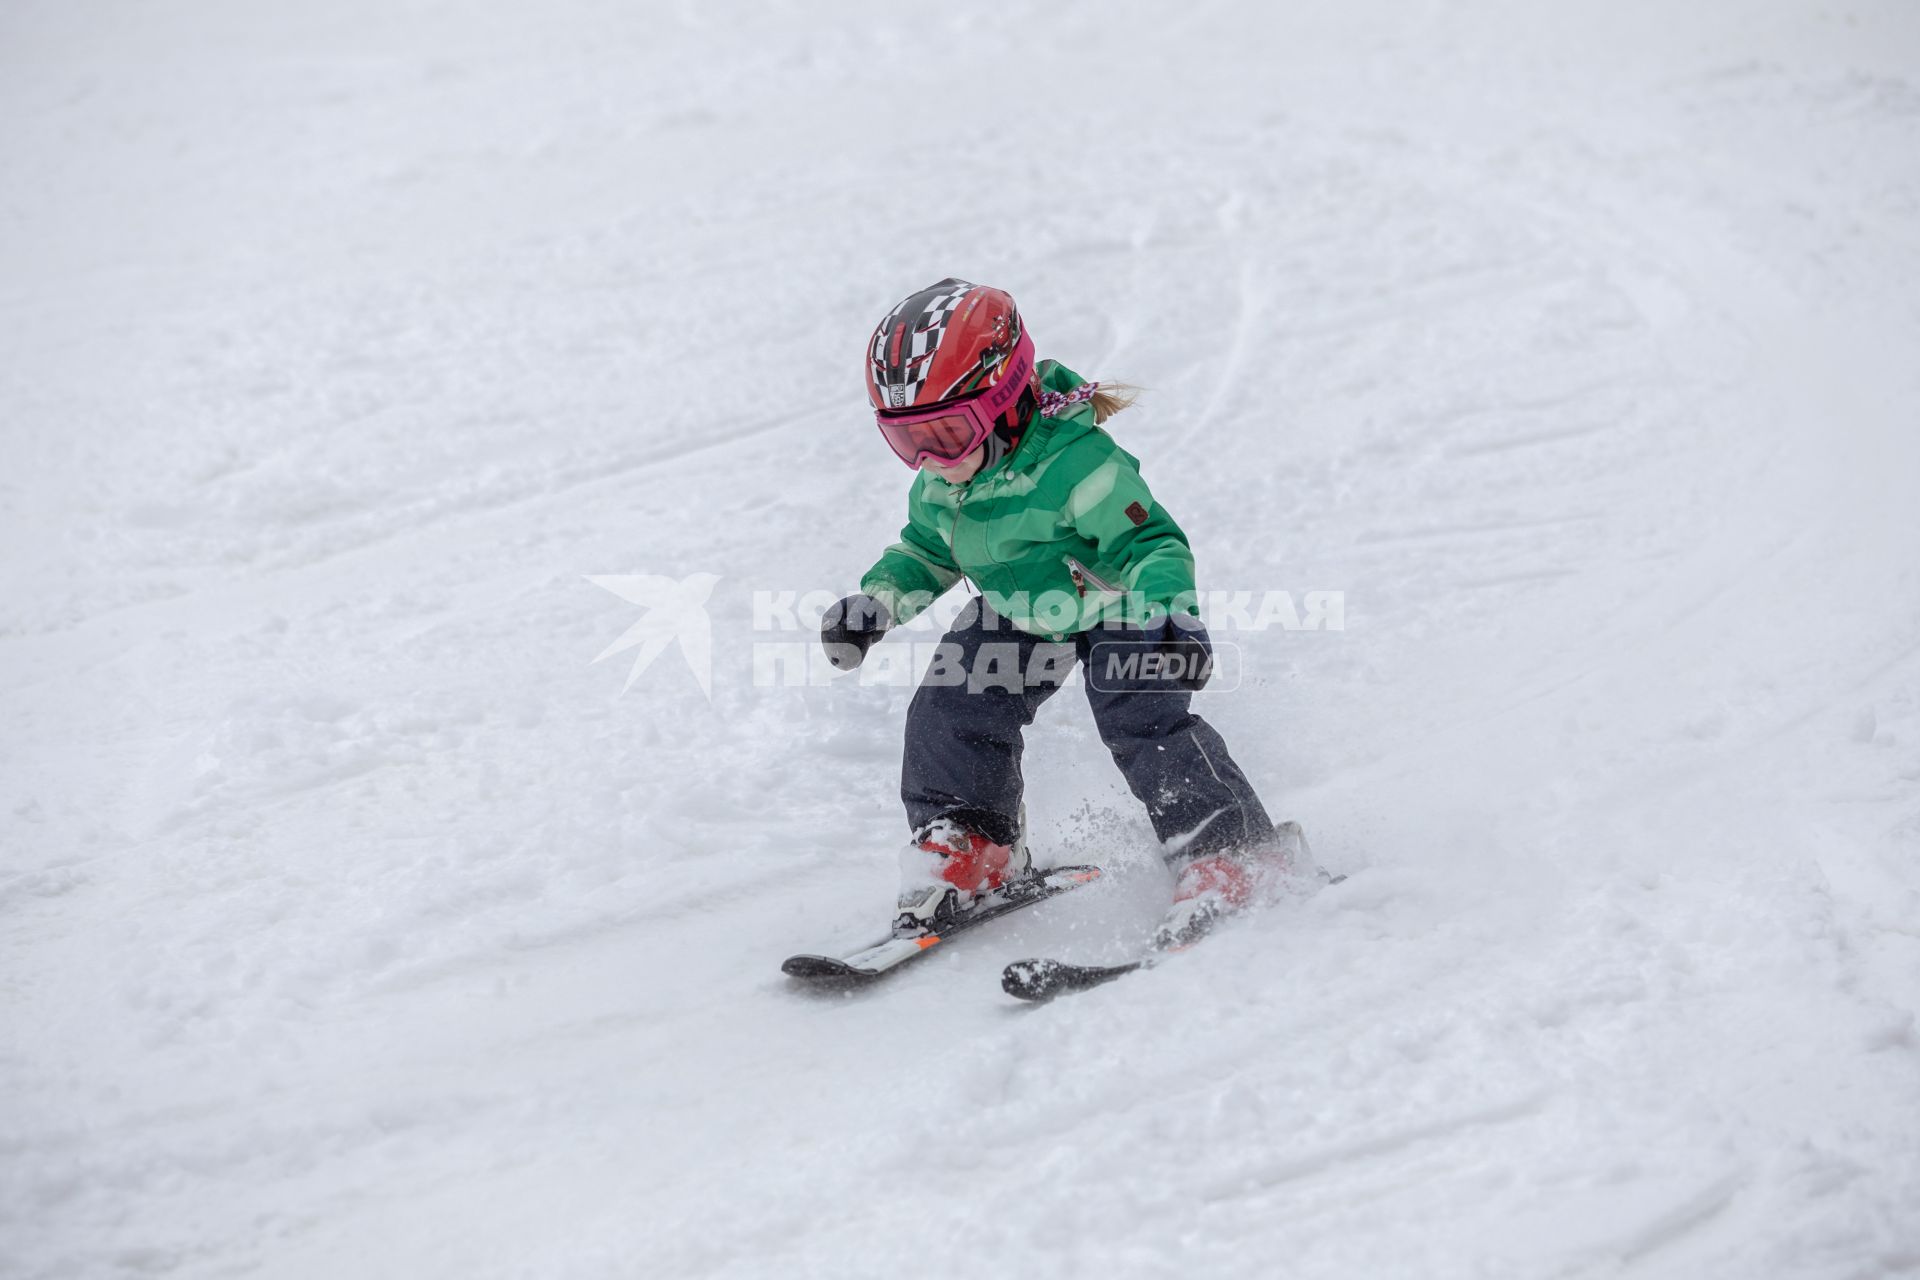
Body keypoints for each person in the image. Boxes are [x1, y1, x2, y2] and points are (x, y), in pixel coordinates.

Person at [821, 278, 1308, 948]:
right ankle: (973, 845)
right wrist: (876, 603)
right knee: (950, 709)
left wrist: (1173, 614)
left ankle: (1231, 850)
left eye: (949, 434)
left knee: (1138, 715)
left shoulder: (1078, 466)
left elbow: (1150, 542)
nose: (932, 460)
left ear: (1001, 399)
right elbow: (928, 552)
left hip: (1117, 603)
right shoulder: (941, 485)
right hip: (1022, 607)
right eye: (908, 442)